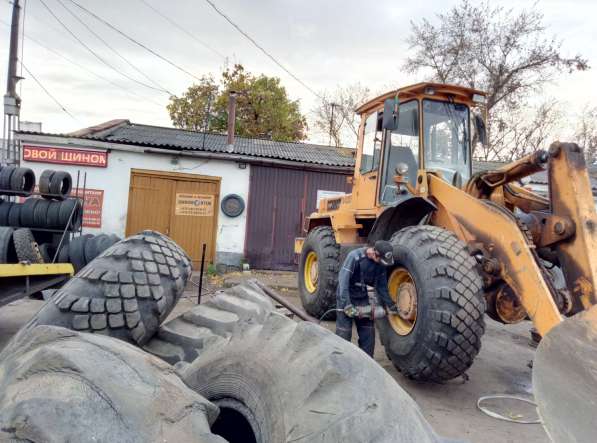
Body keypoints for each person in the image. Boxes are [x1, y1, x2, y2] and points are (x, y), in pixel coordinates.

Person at [335, 240, 398, 357]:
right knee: (343, 336)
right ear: (374, 253)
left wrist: (391, 305)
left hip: (362, 296)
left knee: (368, 336)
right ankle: (340, 364)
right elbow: (343, 282)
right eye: (381, 260)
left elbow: (382, 287)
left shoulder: (381, 264)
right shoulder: (355, 257)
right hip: (346, 295)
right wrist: (347, 305)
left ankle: (366, 364)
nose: (383, 265)